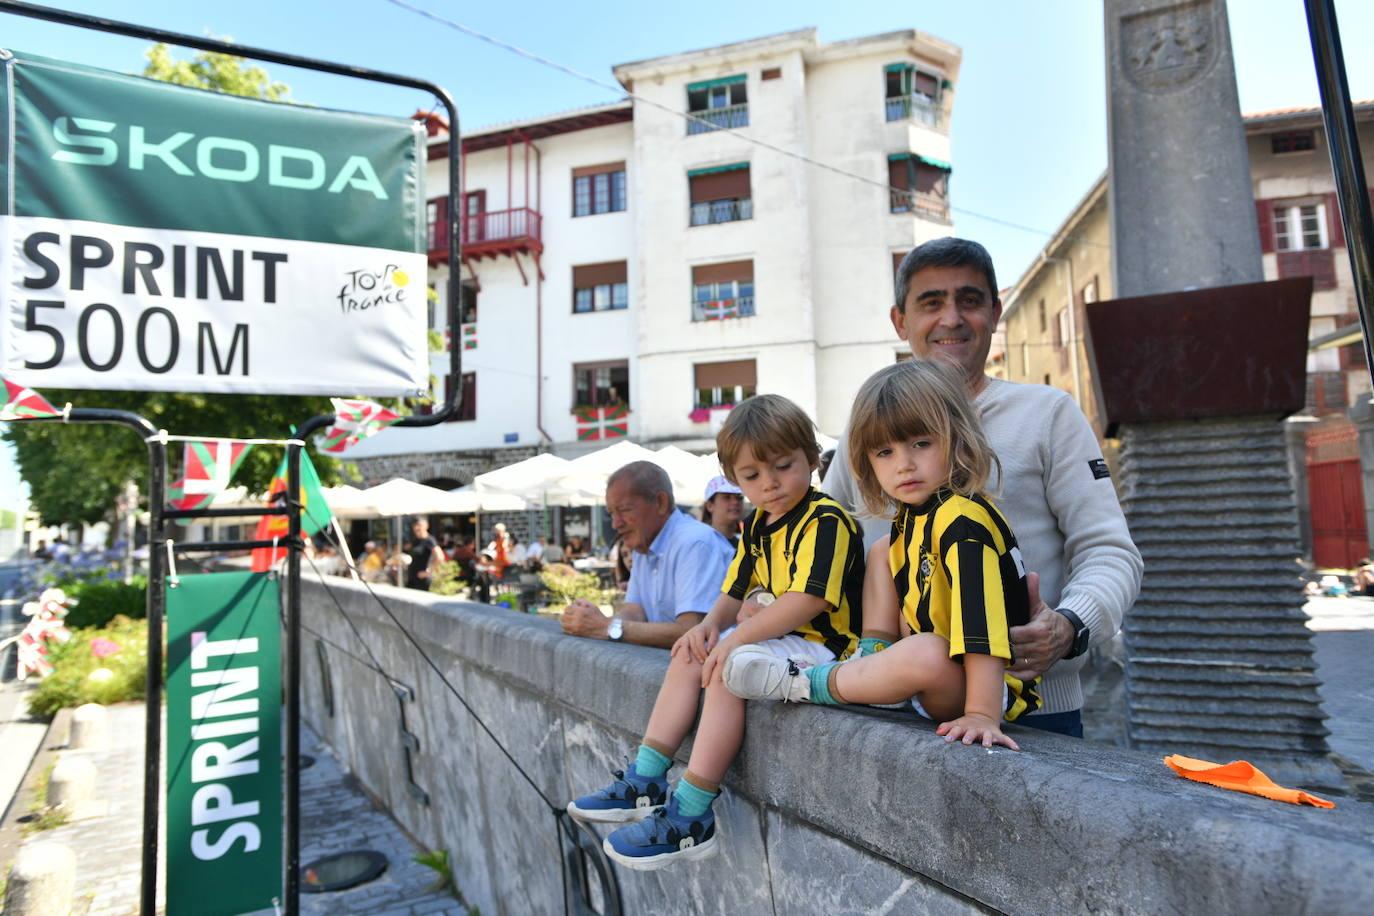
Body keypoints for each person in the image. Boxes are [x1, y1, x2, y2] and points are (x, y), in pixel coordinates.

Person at [821, 237, 1142, 738]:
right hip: (885, 708)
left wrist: (1069, 627)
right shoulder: (868, 432)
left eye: (968, 300)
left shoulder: (1048, 414)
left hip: (1031, 713)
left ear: (994, 313)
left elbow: (1111, 552)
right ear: (900, 321)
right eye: (931, 302)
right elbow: (822, 545)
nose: (951, 318)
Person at [567, 396, 864, 870]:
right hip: (781, 642)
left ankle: (692, 811)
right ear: (735, 479)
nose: (769, 484)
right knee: (690, 652)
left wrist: (734, 640)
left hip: (826, 647)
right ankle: (647, 778)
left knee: (728, 667)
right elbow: (733, 590)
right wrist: (707, 628)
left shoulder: (826, 520)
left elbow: (808, 600)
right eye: (751, 477)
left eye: (784, 467)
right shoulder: (759, 525)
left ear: (812, 459)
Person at [726, 361, 1039, 749]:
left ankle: (808, 682)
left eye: (921, 444)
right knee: (881, 551)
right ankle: (871, 654)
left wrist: (981, 713)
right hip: (934, 667)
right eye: (885, 452)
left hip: (984, 683)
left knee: (926, 650)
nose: (904, 464)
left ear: (957, 437)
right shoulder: (914, 519)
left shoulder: (962, 522)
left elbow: (982, 625)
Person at [561, 462, 732, 648]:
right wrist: (596, 622)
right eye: (611, 514)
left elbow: (691, 631)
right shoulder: (645, 543)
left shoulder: (694, 542)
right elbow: (635, 611)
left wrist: (607, 627)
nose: (615, 524)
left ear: (660, 503)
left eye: (624, 510)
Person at [700, 475, 745, 548]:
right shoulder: (700, 543)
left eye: (739, 497)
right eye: (727, 497)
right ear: (710, 505)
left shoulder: (746, 546)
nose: (735, 502)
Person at [405, 519, 440, 591]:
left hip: (422, 580)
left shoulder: (429, 540)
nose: (416, 528)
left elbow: (440, 557)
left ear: (426, 526)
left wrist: (429, 572)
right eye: (415, 525)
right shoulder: (415, 540)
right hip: (412, 578)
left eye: (419, 525)